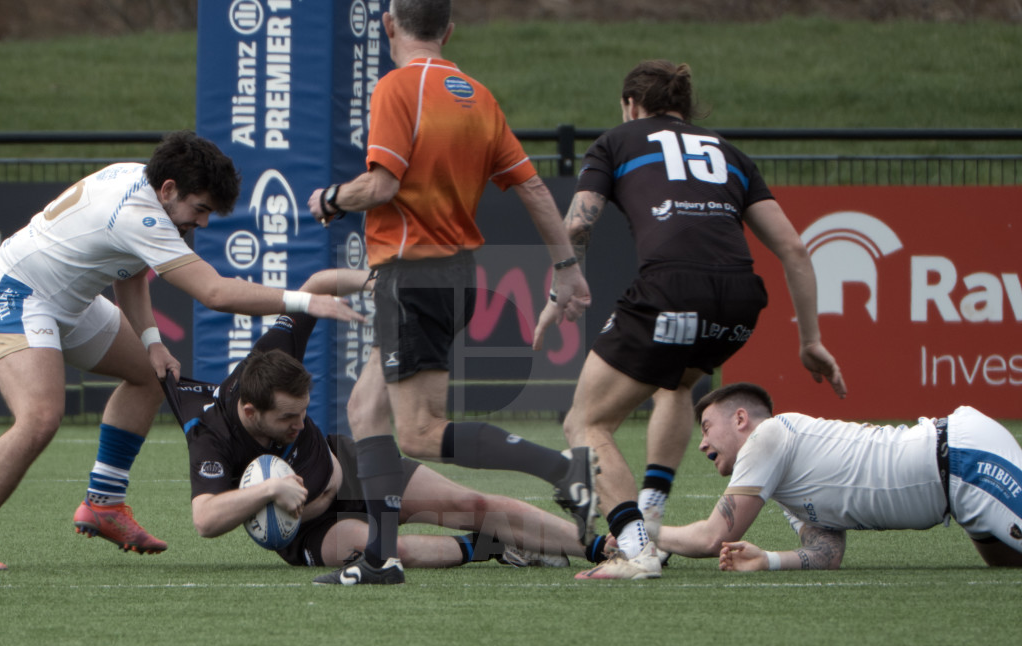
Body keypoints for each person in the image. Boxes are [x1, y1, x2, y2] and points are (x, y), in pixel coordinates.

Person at [0, 131, 362, 572]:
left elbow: (129, 268)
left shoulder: (145, 185)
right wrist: (307, 301)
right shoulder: (141, 215)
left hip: (70, 301)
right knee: (40, 418)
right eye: (201, 209)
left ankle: (104, 504)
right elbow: (213, 292)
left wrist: (152, 342)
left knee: (151, 376)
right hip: (16, 292)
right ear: (170, 189)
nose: (204, 222)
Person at [305, 0, 595, 586]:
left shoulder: (396, 88)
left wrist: (332, 199)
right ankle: (381, 558)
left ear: (390, 25)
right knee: (366, 410)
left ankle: (563, 468)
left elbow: (382, 184)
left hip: (411, 277)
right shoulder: (477, 96)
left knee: (417, 430)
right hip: (453, 277)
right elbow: (535, 190)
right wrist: (566, 266)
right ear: (449, 30)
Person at [532, 59, 846, 580]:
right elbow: (792, 247)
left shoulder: (618, 139)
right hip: (740, 304)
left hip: (671, 288)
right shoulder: (730, 153)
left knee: (585, 422)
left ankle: (636, 551)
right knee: (675, 382)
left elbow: (578, 225)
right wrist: (810, 341)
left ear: (632, 106)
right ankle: (651, 512)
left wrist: (559, 286)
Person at [164, 269, 584, 575]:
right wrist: (270, 489)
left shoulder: (273, 354)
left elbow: (315, 286)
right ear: (252, 413)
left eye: (304, 411)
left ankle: (602, 544)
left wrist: (374, 281)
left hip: (348, 464)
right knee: (387, 549)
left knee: (472, 505)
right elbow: (205, 520)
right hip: (311, 529)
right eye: (287, 417)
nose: (299, 423)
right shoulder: (211, 434)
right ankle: (490, 547)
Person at [655, 382, 1022, 571]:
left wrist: (640, 530)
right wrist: (767, 559)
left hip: (964, 458)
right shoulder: (784, 483)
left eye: (706, 428)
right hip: (958, 494)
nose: (701, 444)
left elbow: (711, 538)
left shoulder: (767, 436)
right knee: (1008, 570)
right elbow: (826, 554)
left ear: (740, 419)